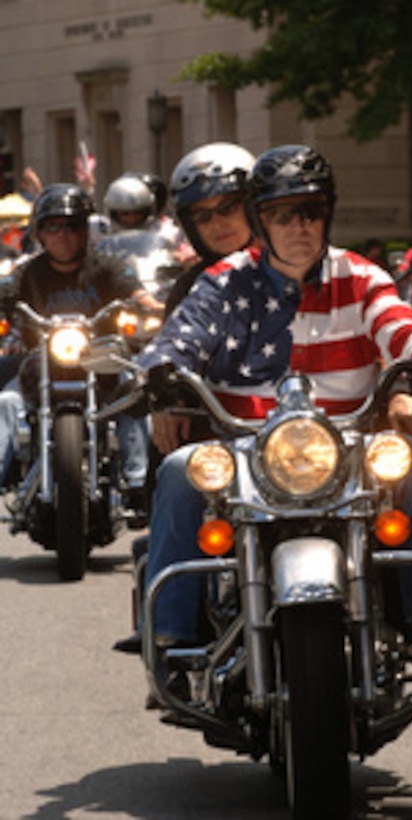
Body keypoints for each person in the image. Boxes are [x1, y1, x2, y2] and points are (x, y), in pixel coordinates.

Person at [133, 145, 412, 686]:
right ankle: (172, 642)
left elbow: (398, 323)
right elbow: (180, 338)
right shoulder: (224, 281)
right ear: (262, 219)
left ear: (327, 214)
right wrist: (160, 373)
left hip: (345, 445)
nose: (298, 226)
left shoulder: (361, 275)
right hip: (245, 446)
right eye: (283, 214)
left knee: (411, 456)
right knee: (177, 470)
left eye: (310, 210)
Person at [113, 141, 256, 654]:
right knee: (173, 468)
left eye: (230, 207)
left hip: (311, 446)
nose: (218, 223)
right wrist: (161, 399)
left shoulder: (305, 269)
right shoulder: (195, 288)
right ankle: (171, 630)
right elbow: (167, 352)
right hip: (226, 442)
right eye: (202, 214)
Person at [0, 182, 163, 502]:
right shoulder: (29, 272)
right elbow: (6, 291)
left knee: (134, 392)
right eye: (53, 226)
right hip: (42, 364)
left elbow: (136, 292)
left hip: (102, 363)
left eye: (72, 225)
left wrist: (159, 306)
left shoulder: (106, 266)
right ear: (40, 233)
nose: (63, 234)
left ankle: (137, 482)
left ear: (85, 230)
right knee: (6, 403)